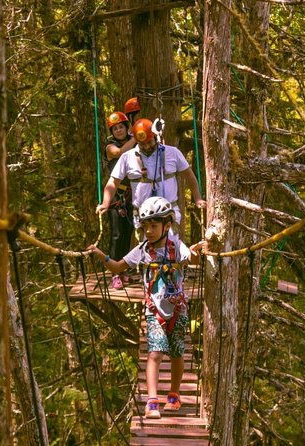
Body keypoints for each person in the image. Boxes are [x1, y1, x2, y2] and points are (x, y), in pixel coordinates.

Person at [87, 197, 203, 419]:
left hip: (177, 309)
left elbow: (192, 259)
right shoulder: (141, 250)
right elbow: (118, 266)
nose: (148, 231)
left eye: (153, 226)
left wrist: (196, 253)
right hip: (154, 310)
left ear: (166, 226)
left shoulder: (176, 246)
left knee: (178, 353)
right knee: (155, 353)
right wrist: (101, 255)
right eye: (145, 226)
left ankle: (174, 394)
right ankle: (152, 401)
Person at [96, 118, 206, 232]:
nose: (147, 146)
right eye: (142, 144)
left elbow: (189, 175)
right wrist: (105, 203)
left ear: (155, 137)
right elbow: (113, 182)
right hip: (143, 217)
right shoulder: (127, 157)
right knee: (147, 248)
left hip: (169, 213)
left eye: (149, 142)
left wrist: (197, 198)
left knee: (170, 246)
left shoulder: (172, 152)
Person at [104, 111, 137, 289]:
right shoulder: (110, 145)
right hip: (116, 196)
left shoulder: (134, 141)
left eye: (121, 127)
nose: (118, 131)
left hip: (131, 194)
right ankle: (113, 273)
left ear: (126, 127)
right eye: (115, 128)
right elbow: (118, 153)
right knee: (116, 235)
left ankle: (122, 270)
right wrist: (136, 138)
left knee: (127, 233)